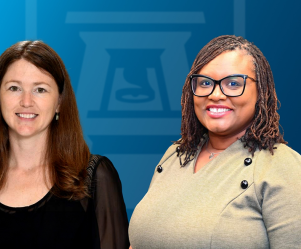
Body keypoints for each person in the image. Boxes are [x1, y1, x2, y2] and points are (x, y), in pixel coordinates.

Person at [128, 35, 301, 248]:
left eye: (233, 83)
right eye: (205, 83)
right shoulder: (175, 154)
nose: (216, 94)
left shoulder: (283, 167)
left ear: (261, 92)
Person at [0, 40, 129, 249]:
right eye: (14, 88)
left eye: (40, 90)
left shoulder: (95, 178)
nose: (26, 101)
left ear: (60, 102)